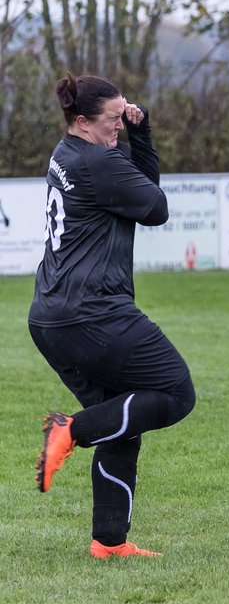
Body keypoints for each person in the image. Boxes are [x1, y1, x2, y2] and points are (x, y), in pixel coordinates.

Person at [29, 72, 197, 559]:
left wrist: (135, 132)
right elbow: (155, 206)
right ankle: (69, 430)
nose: (119, 126)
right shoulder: (99, 162)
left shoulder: (68, 154)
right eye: (112, 120)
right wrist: (143, 140)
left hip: (52, 315)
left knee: (122, 420)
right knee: (174, 393)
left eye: (124, 116)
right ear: (82, 121)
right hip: (93, 313)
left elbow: (136, 190)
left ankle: (109, 542)